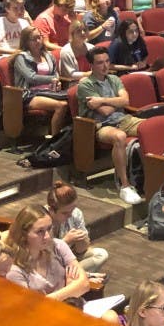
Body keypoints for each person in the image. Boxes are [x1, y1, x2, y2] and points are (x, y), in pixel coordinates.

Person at [76, 48, 144, 204]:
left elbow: (126, 101)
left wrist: (101, 100)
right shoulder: (85, 85)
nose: (105, 66)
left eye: (107, 61)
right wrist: (115, 100)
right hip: (100, 125)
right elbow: (105, 111)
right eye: (100, 63)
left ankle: (153, 177)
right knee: (119, 137)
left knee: (150, 128)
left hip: (123, 119)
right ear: (91, 65)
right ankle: (125, 186)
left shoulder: (114, 79)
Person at [4, 205, 91, 301]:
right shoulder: (14, 270)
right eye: (40, 231)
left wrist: (48, 298)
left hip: (74, 305)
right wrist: (71, 289)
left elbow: (84, 284)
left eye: (49, 229)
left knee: (110, 315)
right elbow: (32, 306)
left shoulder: (58, 245)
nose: (47, 236)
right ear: (23, 235)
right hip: (45, 314)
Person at [13, 26, 69, 136]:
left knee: (73, 100)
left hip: (49, 92)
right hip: (29, 94)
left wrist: (57, 83)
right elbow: (31, 77)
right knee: (61, 105)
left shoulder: (48, 55)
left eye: (39, 37)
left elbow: (55, 73)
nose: (38, 41)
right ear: (26, 41)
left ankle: (66, 139)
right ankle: (54, 143)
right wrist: (52, 79)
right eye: (33, 39)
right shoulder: (21, 58)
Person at [46, 181, 108, 272]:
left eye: (72, 209)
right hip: (48, 261)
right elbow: (42, 255)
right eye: (65, 213)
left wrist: (81, 239)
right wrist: (65, 241)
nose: (70, 215)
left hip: (69, 256)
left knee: (101, 254)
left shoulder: (76, 213)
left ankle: (70, 274)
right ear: (51, 210)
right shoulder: (41, 221)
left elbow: (80, 250)